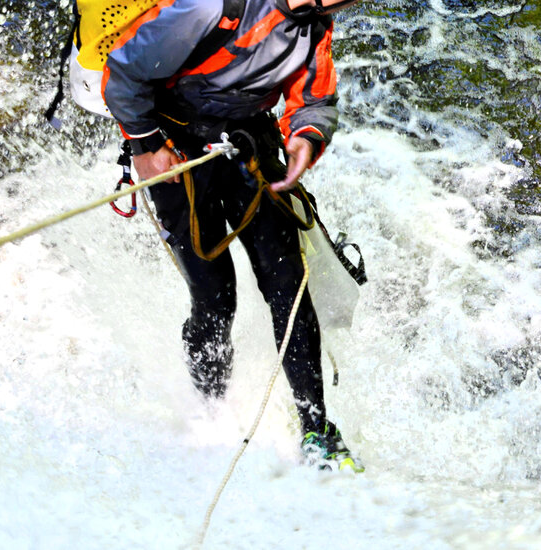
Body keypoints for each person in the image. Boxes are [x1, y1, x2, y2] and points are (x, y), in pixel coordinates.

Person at [101, 0, 362, 469]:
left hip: (248, 143)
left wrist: (305, 137)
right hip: (177, 150)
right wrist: (144, 146)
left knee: (289, 287)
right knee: (215, 298)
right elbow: (122, 72)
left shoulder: (316, 26)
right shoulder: (211, 7)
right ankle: (211, 417)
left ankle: (317, 430)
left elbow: (315, 100)